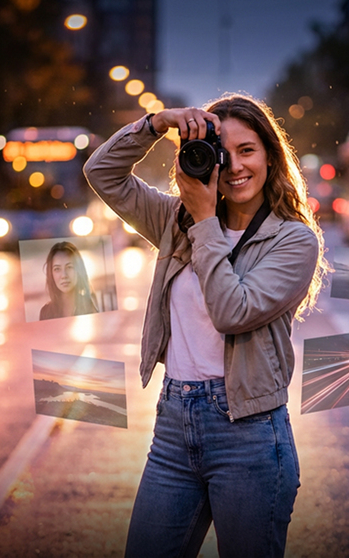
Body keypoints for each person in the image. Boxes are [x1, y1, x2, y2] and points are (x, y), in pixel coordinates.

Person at [84, 93, 328, 557]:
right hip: (174, 426)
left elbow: (232, 311)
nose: (235, 166)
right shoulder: (174, 221)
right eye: (223, 152)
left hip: (250, 436)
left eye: (248, 150)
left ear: (271, 157)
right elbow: (102, 173)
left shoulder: (294, 240)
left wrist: (202, 219)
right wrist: (156, 123)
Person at [39, 241, 98, 319]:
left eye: (69, 267)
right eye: (57, 269)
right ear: (51, 274)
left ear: (78, 270)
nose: (64, 275)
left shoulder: (88, 305)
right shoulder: (46, 312)